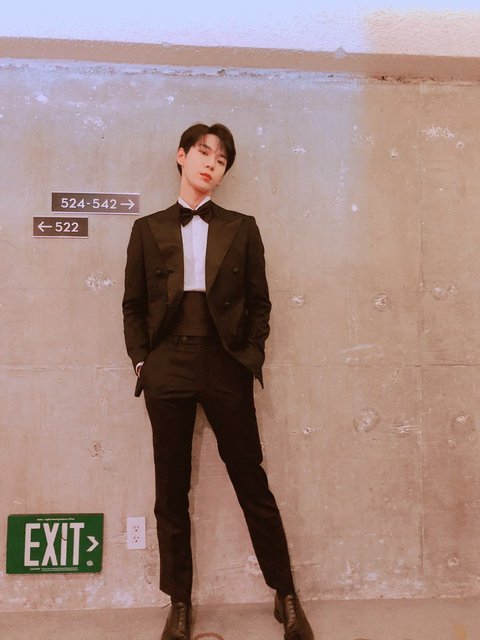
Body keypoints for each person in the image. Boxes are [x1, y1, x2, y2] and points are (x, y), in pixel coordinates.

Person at [122, 123, 314, 640]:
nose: (212, 163)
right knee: (170, 489)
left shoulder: (242, 227)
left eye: (222, 159)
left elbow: (260, 303)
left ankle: (286, 594)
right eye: (204, 153)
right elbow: (133, 305)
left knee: (251, 481)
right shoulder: (147, 229)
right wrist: (142, 363)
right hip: (167, 366)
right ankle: (179, 603)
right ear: (181, 156)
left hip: (224, 362)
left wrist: (248, 357)